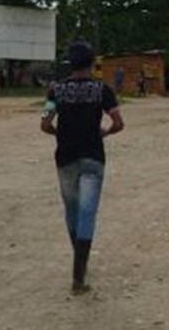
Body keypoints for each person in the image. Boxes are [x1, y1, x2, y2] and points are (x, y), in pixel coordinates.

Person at [40, 41, 124, 294]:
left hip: (65, 158)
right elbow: (118, 122)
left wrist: (60, 134)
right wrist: (104, 133)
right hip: (93, 158)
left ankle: (79, 261)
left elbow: (45, 124)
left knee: (72, 211)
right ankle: (79, 275)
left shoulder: (56, 90)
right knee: (87, 213)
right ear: (91, 63)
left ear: (70, 63)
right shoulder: (102, 90)